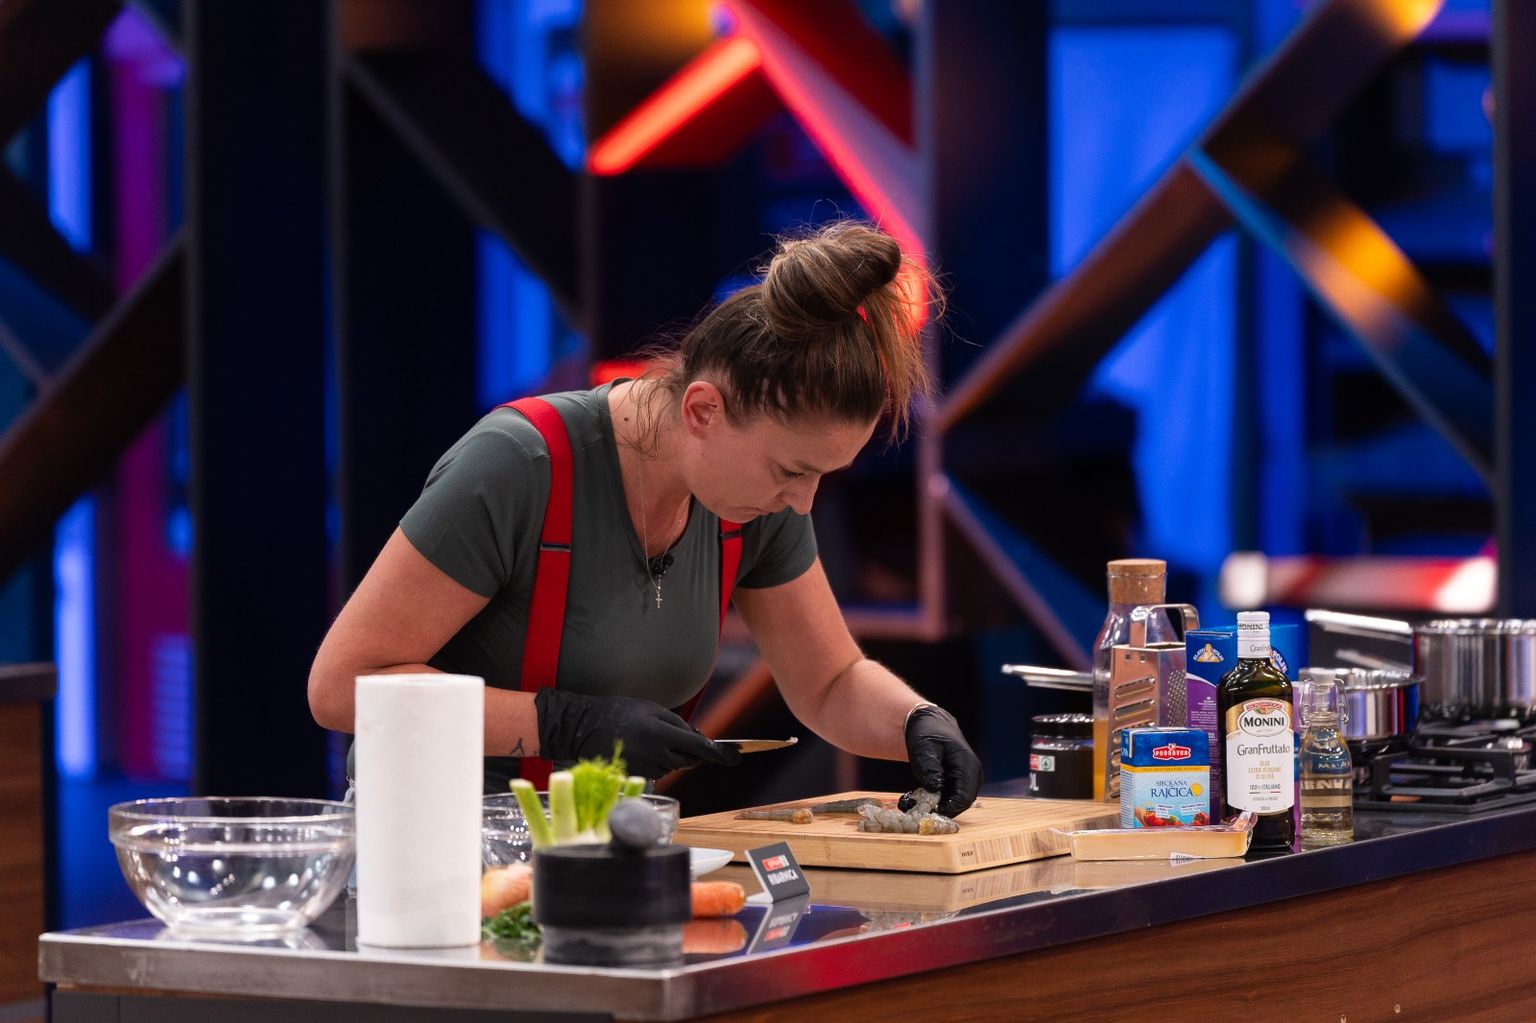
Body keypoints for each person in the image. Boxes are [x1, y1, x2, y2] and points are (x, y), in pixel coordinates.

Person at [308, 220, 983, 816]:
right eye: (791, 471)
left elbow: (829, 682)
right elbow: (340, 688)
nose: (803, 502)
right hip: (431, 848)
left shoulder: (755, 501)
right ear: (702, 410)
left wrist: (916, 722)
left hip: (598, 851)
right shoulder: (518, 465)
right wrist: (563, 723)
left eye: (822, 476)